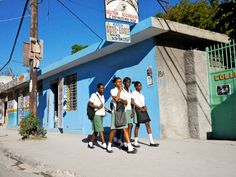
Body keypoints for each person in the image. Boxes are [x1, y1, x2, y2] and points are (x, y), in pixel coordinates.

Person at [107, 77, 137, 153]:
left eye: (120, 82)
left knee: (125, 129)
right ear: (115, 83)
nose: (120, 83)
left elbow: (126, 102)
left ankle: (129, 147)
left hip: (123, 112)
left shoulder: (123, 92)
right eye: (118, 82)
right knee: (113, 130)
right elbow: (116, 99)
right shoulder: (113, 90)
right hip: (115, 112)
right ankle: (109, 145)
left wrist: (121, 100)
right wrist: (119, 93)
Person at [131, 81, 159, 147]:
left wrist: (145, 106)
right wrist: (141, 108)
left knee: (148, 124)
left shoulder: (141, 93)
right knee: (137, 125)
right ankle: (135, 142)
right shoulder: (133, 93)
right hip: (138, 110)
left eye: (141, 85)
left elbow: (143, 101)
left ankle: (152, 142)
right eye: (139, 86)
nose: (140, 87)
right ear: (135, 86)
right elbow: (132, 102)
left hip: (144, 109)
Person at [88, 83, 109, 149]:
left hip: (101, 114)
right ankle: (104, 144)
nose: (103, 89)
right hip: (96, 114)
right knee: (100, 129)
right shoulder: (94, 95)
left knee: (96, 130)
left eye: (103, 88)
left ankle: (90, 142)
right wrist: (98, 107)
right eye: (101, 88)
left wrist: (106, 109)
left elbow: (102, 106)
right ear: (98, 89)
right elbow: (89, 104)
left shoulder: (102, 96)